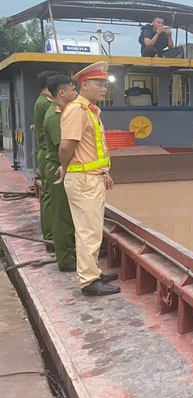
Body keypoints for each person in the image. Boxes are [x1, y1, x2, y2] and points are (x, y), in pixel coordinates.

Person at [56, 61, 120, 297]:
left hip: (92, 177)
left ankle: (92, 271)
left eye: (105, 84)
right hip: (83, 180)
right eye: (99, 84)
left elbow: (93, 148)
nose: (104, 88)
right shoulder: (77, 110)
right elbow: (66, 147)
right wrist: (67, 169)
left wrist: (105, 173)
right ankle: (89, 282)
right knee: (87, 231)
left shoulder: (91, 111)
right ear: (84, 85)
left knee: (92, 228)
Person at [42, 75, 78, 272]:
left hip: (61, 167)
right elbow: (61, 147)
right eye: (73, 90)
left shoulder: (61, 112)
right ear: (62, 93)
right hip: (58, 168)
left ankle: (69, 253)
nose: (76, 93)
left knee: (66, 213)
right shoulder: (56, 116)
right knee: (62, 215)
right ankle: (65, 259)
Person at [34, 70, 59, 252]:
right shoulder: (46, 104)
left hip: (44, 151)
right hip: (48, 153)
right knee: (50, 196)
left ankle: (51, 235)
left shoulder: (43, 102)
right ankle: (50, 237)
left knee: (48, 195)